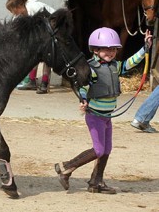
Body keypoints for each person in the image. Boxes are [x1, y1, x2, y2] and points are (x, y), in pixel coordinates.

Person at [54, 27, 153, 194]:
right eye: (106, 49)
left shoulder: (116, 66)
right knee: (98, 150)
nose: (111, 52)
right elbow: (83, 86)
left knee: (106, 150)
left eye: (113, 49)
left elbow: (131, 62)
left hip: (107, 117)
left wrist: (145, 48)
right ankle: (66, 167)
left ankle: (95, 182)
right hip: (95, 116)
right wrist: (83, 99)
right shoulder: (91, 68)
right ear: (95, 50)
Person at [6, 0, 55, 94]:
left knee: (46, 53)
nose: (13, 13)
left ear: (19, 6)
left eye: (13, 10)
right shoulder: (21, 13)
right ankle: (31, 81)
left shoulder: (34, 7)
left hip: (53, 27)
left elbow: (48, 23)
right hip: (43, 30)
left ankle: (45, 83)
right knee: (34, 51)